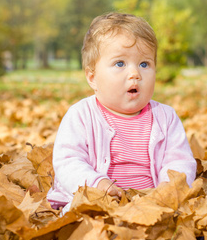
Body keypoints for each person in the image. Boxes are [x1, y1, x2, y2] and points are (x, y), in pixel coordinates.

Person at [46, 12, 196, 211]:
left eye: (144, 64)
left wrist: (167, 191)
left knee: (195, 218)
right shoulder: (81, 115)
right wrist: (96, 183)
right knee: (80, 218)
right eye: (120, 63)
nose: (135, 74)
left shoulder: (165, 118)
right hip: (96, 201)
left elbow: (179, 161)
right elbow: (68, 161)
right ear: (92, 77)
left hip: (152, 205)